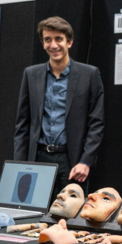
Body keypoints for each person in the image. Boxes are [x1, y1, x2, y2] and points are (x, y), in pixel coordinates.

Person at [13, 17, 104, 198]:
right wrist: (19, 164)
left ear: (69, 42)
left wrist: (86, 161)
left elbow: (97, 123)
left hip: (71, 161)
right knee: (34, 215)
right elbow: (22, 124)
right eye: (48, 39)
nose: (53, 45)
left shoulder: (89, 75)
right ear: (43, 43)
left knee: (70, 218)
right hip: (38, 158)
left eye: (58, 39)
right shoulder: (31, 75)